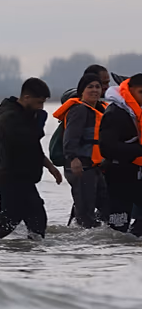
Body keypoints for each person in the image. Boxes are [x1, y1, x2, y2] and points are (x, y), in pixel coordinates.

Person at [0, 78, 63, 239]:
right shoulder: (10, 118)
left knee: (34, 223)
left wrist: (50, 166)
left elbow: (33, 147)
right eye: (39, 102)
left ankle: (29, 257)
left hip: (23, 180)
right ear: (26, 98)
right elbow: (25, 143)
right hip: (11, 179)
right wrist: (38, 124)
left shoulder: (27, 116)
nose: (41, 107)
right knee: (7, 225)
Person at [53, 73, 109, 228]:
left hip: (94, 166)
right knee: (85, 210)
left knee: (105, 206)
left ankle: (96, 236)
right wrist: (73, 158)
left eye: (97, 87)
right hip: (80, 166)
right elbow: (70, 137)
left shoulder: (99, 110)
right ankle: (80, 244)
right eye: (89, 87)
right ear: (81, 91)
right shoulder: (79, 110)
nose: (94, 90)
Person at [98, 73, 142, 234]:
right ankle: (116, 255)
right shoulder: (115, 113)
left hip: (136, 174)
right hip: (118, 175)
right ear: (129, 91)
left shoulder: (137, 113)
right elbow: (107, 148)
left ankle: (133, 243)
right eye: (141, 92)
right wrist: (138, 150)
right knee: (118, 225)